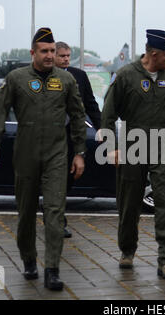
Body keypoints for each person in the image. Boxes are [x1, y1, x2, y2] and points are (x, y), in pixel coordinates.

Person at [0, 27, 87, 290]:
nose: (50, 56)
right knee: (26, 212)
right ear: (33, 52)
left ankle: (52, 268)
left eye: (53, 51)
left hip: (56, 153)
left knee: (55, 211)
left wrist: (79, 153)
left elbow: (78, 116)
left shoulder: (66, 81)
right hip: (26, 153)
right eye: (44, 51)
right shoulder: (17, 78)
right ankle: (29, 259)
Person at [100, 29, 165, 279]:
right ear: (152, 53)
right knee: (129, 203)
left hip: (164, 144)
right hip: (131, 144)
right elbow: (108, 113)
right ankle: (127, 251)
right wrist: (111, 148)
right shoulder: (126, 75)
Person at [55, 41, 101, 238]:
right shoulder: (44, 77)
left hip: (71, 137)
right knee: (54, 182)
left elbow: (90, 104)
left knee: (66, 181)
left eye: (68, 55)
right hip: (48, 137)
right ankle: (57, 221)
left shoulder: (79, 76)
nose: (66, 59)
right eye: (62, 56)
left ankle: (54, 216)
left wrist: (102, 128)